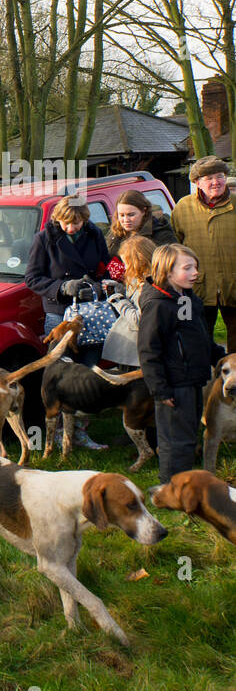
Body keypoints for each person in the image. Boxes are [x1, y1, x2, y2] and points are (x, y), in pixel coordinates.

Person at [24, 195, 111, 448]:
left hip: (91, 312)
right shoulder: (44, 239)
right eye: (65, 223)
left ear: (85, 219)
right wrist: (63, 286)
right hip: (59, 313)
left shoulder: (94, 234)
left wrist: (96, 283)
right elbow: (32, 278)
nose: (71, 228)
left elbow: (104, 267)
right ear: (57, 219)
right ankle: (58, 432)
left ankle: (81, 432)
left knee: (86, 372)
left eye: (76, 223)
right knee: (60, 372)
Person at [138, 243, 226, 484]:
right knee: (175, 439)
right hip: (174, 385)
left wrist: (222, 357)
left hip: (193, 380)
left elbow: (199, 340)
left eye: (195, 267)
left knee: (188, 435)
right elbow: (148, 351)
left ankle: (185, 484)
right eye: (187, 268)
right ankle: (171, 488)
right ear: (167, 272)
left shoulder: (186, 300)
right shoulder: (158, 306)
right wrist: (160, 389)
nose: (195, 272)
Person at [171, 156, 236, 352]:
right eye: (208, 178)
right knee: (196, 338)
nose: (215, 182)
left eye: (219, 176)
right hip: (196, 286)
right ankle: (202, 379)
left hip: (233, 284)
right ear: (197, 183)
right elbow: (175, 246)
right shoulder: (183, 207)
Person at [101, 234, 156, 369]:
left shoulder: (147, 286)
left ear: (137, 261)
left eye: (126, 263)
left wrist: (117, 299)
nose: (124, 267)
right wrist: (118, 287)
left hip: (137, 351)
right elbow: (132, 296)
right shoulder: (138, 278)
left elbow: (138, 319)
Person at [106, 189, 176, 264]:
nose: (126, 220)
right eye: (122, 215)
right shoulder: (115, 232)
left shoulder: (162, 235)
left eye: (131, 215)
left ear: (144, 211)